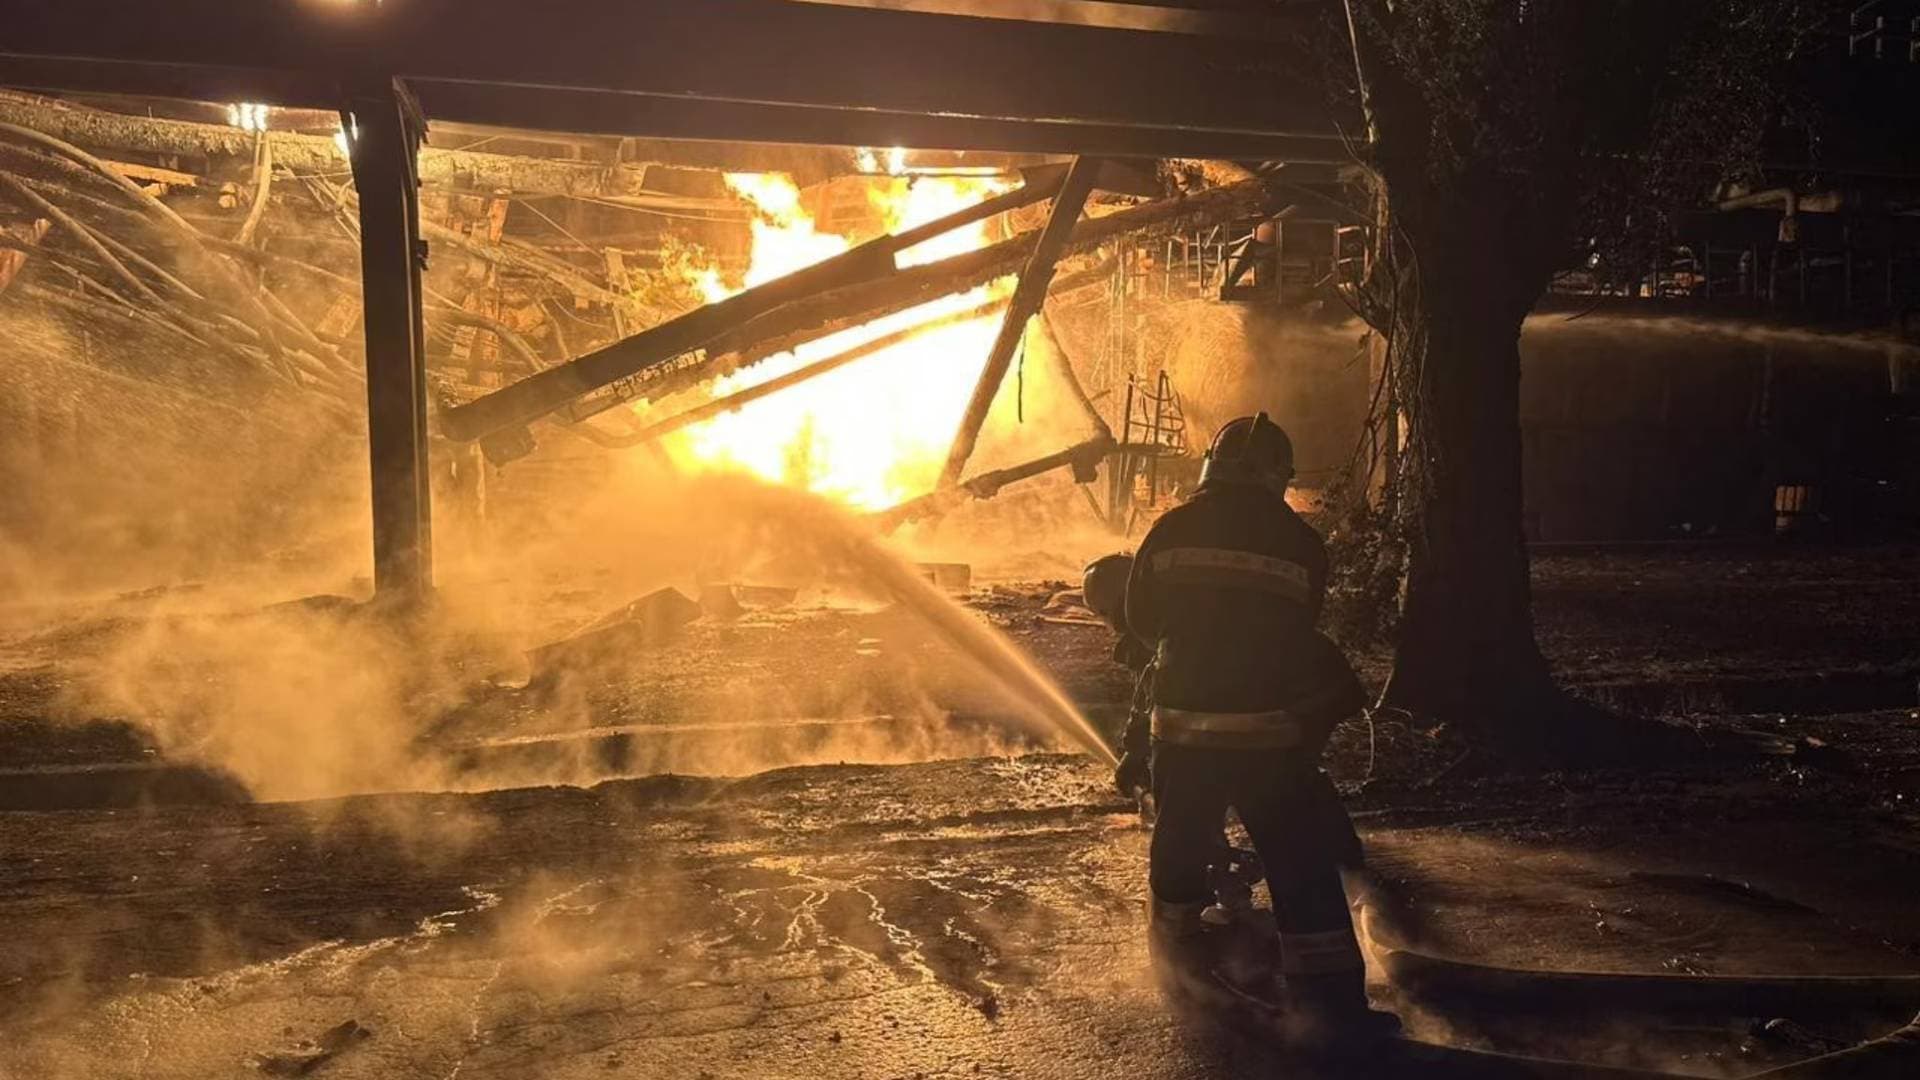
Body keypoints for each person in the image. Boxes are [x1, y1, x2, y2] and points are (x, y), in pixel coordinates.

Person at [1122, 412, 1396, 1043]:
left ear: (1212, 466)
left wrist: (1188, 657)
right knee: (1299, 864)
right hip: (1268, 734)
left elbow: (1141, 619)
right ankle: (1328, 1009)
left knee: (1180, 844)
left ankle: (1180, 973)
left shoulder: (1172, 527)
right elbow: (1302, 631)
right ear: (1279, 476)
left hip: (1182, 729)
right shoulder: (1301, 543)